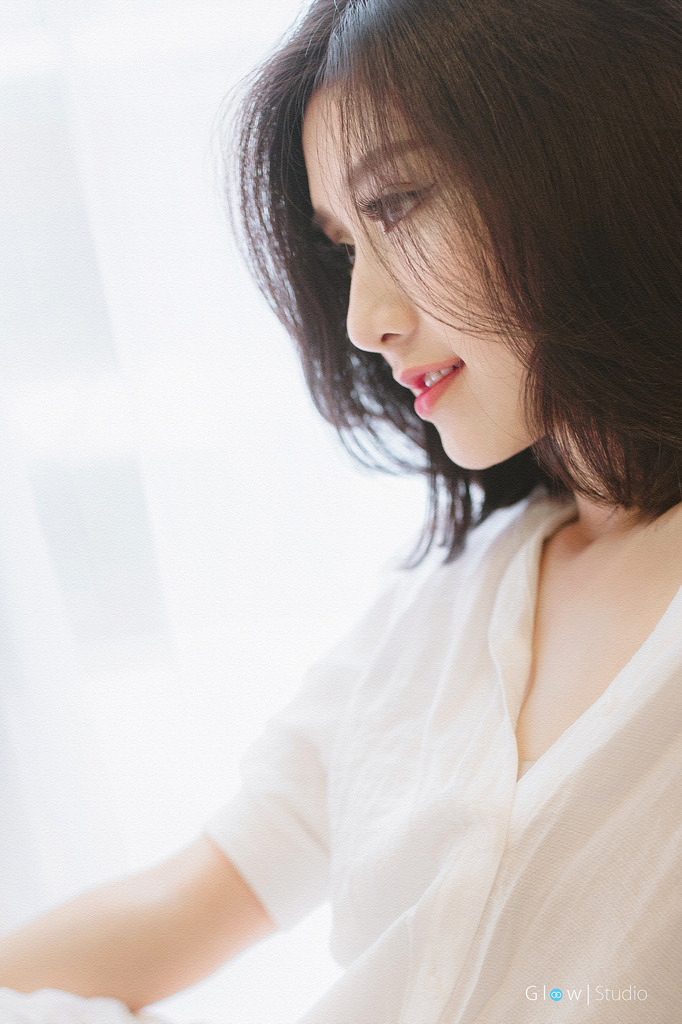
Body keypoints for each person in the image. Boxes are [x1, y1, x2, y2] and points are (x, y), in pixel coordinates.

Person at [1, 0, 680, 1020]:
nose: (364, 320)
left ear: (591, 157)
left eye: (397, 205)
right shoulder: (440, 612)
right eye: (342, 248)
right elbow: (182, 903)